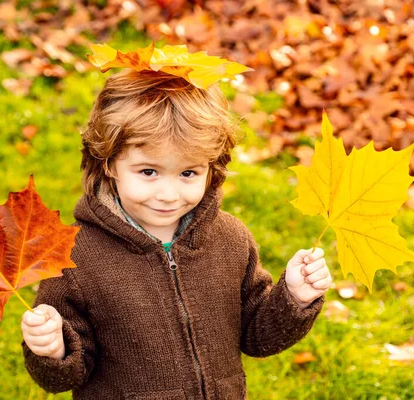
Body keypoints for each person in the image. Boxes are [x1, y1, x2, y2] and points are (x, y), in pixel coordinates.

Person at [21, 48, 332, 399]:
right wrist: (52, 349)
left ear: (211, 168)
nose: (169, 194)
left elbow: (256, 337)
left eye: (188, 173)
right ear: (109, 163)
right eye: (149, 172)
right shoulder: (75, 259)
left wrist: (293, 298)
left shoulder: (231, 240)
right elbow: (65, 378)